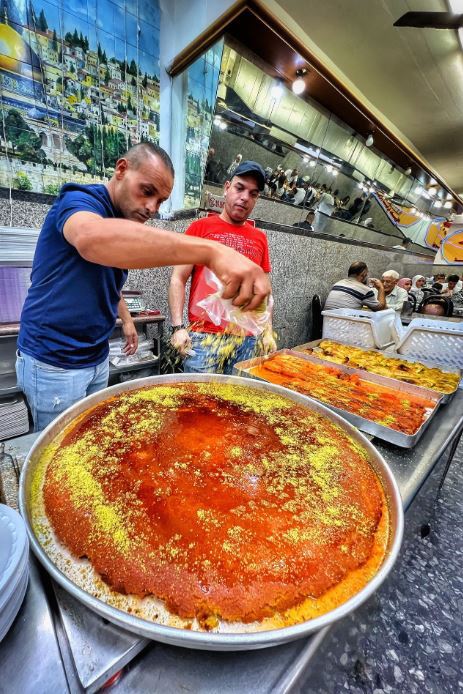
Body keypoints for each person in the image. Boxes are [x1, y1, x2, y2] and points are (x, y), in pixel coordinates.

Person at [17, 144, 271, 431]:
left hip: (96, 355)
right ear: (121, 170)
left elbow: (105, 278)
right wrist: (211, 251)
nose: (152, 208)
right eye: (147, 191)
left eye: (161, 200)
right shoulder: (79, 200)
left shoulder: (121, 220)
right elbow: (92, 240)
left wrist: (126, 320)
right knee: (59, 449)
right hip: (54, 361)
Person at [169, 160, 276, 374]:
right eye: (239, 188)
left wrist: (267, 330)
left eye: (253, 194)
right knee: (197, 401)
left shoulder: (260, 238)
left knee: (233, 401)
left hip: (246, 340)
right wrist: (178, 327)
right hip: (202, 337)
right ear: (226, 188)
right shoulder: (199, 228)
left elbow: (264, 290)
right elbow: (177, 279)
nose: (245, 197)